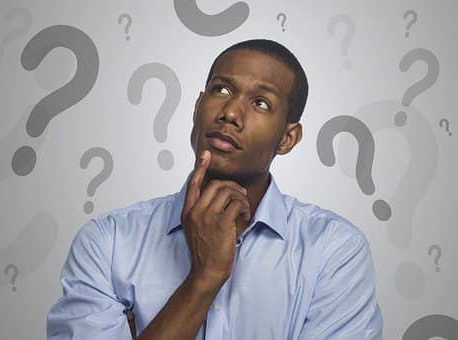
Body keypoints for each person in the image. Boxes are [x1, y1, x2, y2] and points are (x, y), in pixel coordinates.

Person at [46, 38, 383, 340]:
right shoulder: (107, 243)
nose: (231, 113)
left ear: (287, 138)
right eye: (221, 90)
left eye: (261, 103)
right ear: (197, 107)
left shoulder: (334, 251)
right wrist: (203, 280)